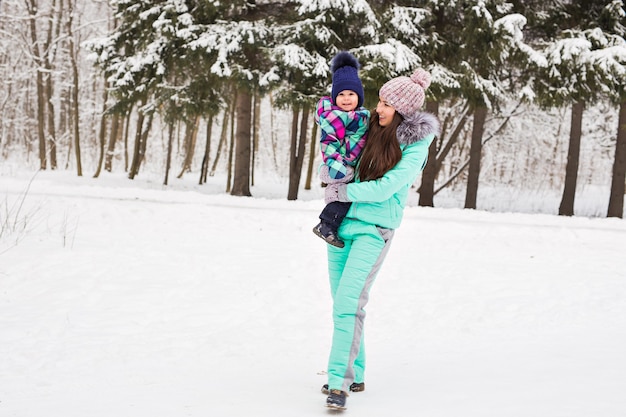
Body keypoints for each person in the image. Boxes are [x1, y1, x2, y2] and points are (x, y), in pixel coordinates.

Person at [320, 68, 441, 411]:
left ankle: (338, 383)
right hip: (341, 226)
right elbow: (339, 148)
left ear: (404, 111)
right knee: (344, 305)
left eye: (388, 104)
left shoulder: (416, 146)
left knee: (348, 303)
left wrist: (342, 190)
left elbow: (387, 187)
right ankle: (356, 373)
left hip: (374, 230)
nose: (379, 108)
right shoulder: (371, 127)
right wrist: (330, 169)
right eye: (380, 100)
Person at [312, 51, 370, 248]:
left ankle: (331, 224)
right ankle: (326, 224)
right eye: (342, 95)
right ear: (335, 97)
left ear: (358, 97)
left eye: (351, 94)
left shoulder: (360, 116)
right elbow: (328, 141)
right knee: (343, 195)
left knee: (347, 195)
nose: (346, 99)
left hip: (351, 162)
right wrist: (336, 164)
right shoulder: (334, 116)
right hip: (339, 164)